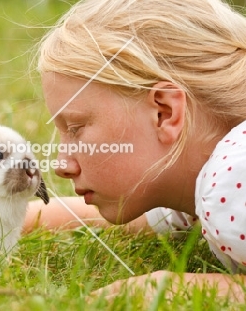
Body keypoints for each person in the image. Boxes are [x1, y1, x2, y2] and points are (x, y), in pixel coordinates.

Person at [24, 0, 246, 301]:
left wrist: (179, 288)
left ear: (164, 113)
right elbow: (94, 218)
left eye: (76, 127)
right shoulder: (201, 183)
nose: (62, 165)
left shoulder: (233, 174)